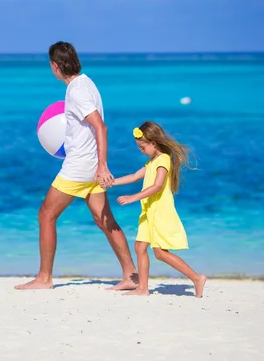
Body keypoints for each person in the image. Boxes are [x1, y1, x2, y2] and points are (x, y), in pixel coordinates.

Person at [15, 41, 138, 291]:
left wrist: (103, 166)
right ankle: (131, 276)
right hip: (90, 166)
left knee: (46, 215)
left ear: (55, 66)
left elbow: (100, 126)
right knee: (104, 220)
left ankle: (44, 278)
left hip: (80, 167)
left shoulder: (76, 91)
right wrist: (99, 165)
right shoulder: (87, 83)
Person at [110, 121, 207, 297]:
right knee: (140, 247)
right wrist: (112, 182)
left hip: (160, 211)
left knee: (160, 253)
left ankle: (197, 278)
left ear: (153, 143)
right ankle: (143, 289)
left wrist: (133, 197)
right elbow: (134, 176)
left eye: (142, 147)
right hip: (148, 211)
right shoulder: (151, 162)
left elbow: (157, 185)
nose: (140, 150)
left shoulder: (163, 160)